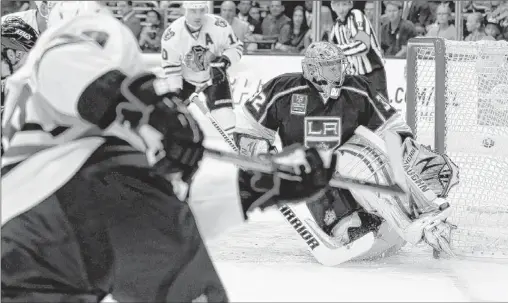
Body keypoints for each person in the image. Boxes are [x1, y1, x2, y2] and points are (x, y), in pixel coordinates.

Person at [1, 2, 337, 302]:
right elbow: (68, 56)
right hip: (88, 199)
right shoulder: (66, 47)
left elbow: (159, 210)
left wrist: (259, 185)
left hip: (20, 239)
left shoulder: (53, 116)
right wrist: (152, 101)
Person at [234, 41, 460, 266]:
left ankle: (424, 218)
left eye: (339, 64)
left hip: (354, 167)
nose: (339, 70)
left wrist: (405, 153)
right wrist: (258, 151)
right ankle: (388, 224)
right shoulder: (282, 89)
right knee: (356, 232)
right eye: (330, 66)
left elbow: (391, 126)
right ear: (312, 69)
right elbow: (248, 127)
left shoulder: (357, 87)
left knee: (372, 159)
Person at [161, 1, 243, 142]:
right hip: (185, 80)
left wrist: (224, 61)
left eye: (201, 10)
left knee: (225, 116)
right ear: (184, 10)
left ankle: (239, 149)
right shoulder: (172, 34)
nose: (198, 15)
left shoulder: (218, 25)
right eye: (193, 11)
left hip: (214, 75)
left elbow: (236, 48)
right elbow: (172, 69)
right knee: (172, 116)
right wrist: (176, 93)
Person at [329, 1, 389, 102]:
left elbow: (363, 46)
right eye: (337, 5)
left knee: (383, 108)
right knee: (358, 112)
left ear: (350, 5)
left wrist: (338, 49)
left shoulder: (356, 16)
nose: (341, 9)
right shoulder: (336, 28)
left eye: (344, 4)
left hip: (373, 73)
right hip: (356, 77)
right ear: (332, 7)